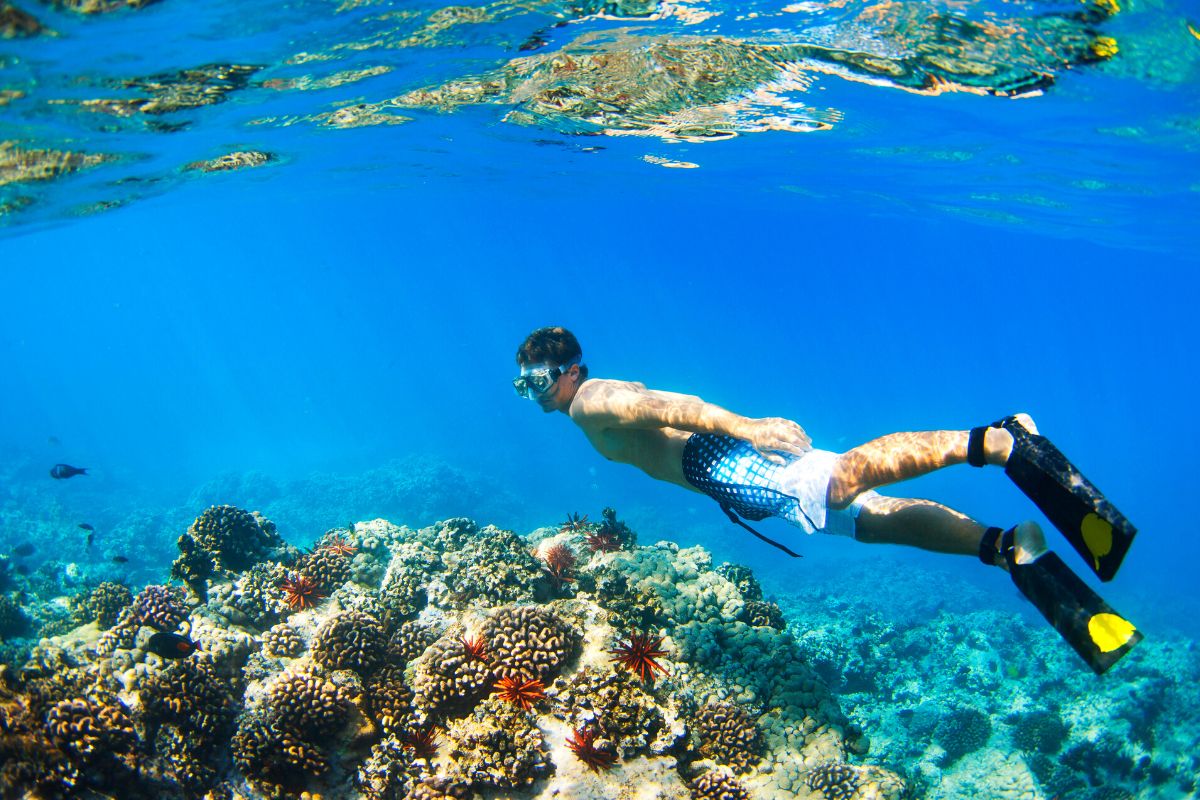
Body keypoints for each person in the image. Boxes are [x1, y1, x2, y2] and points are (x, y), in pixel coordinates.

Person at [513, 326, 1142, 673]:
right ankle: (1004, 548)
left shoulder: (590, 401)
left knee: (842, 480)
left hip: (726, 461)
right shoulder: (588, 403)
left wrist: (746, 429)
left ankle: (998, 440)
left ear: (570, 371)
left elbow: (666, 407)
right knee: (866, 520)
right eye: (523, 386)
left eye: (539, 380)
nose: (535, 393)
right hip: (726, 477)